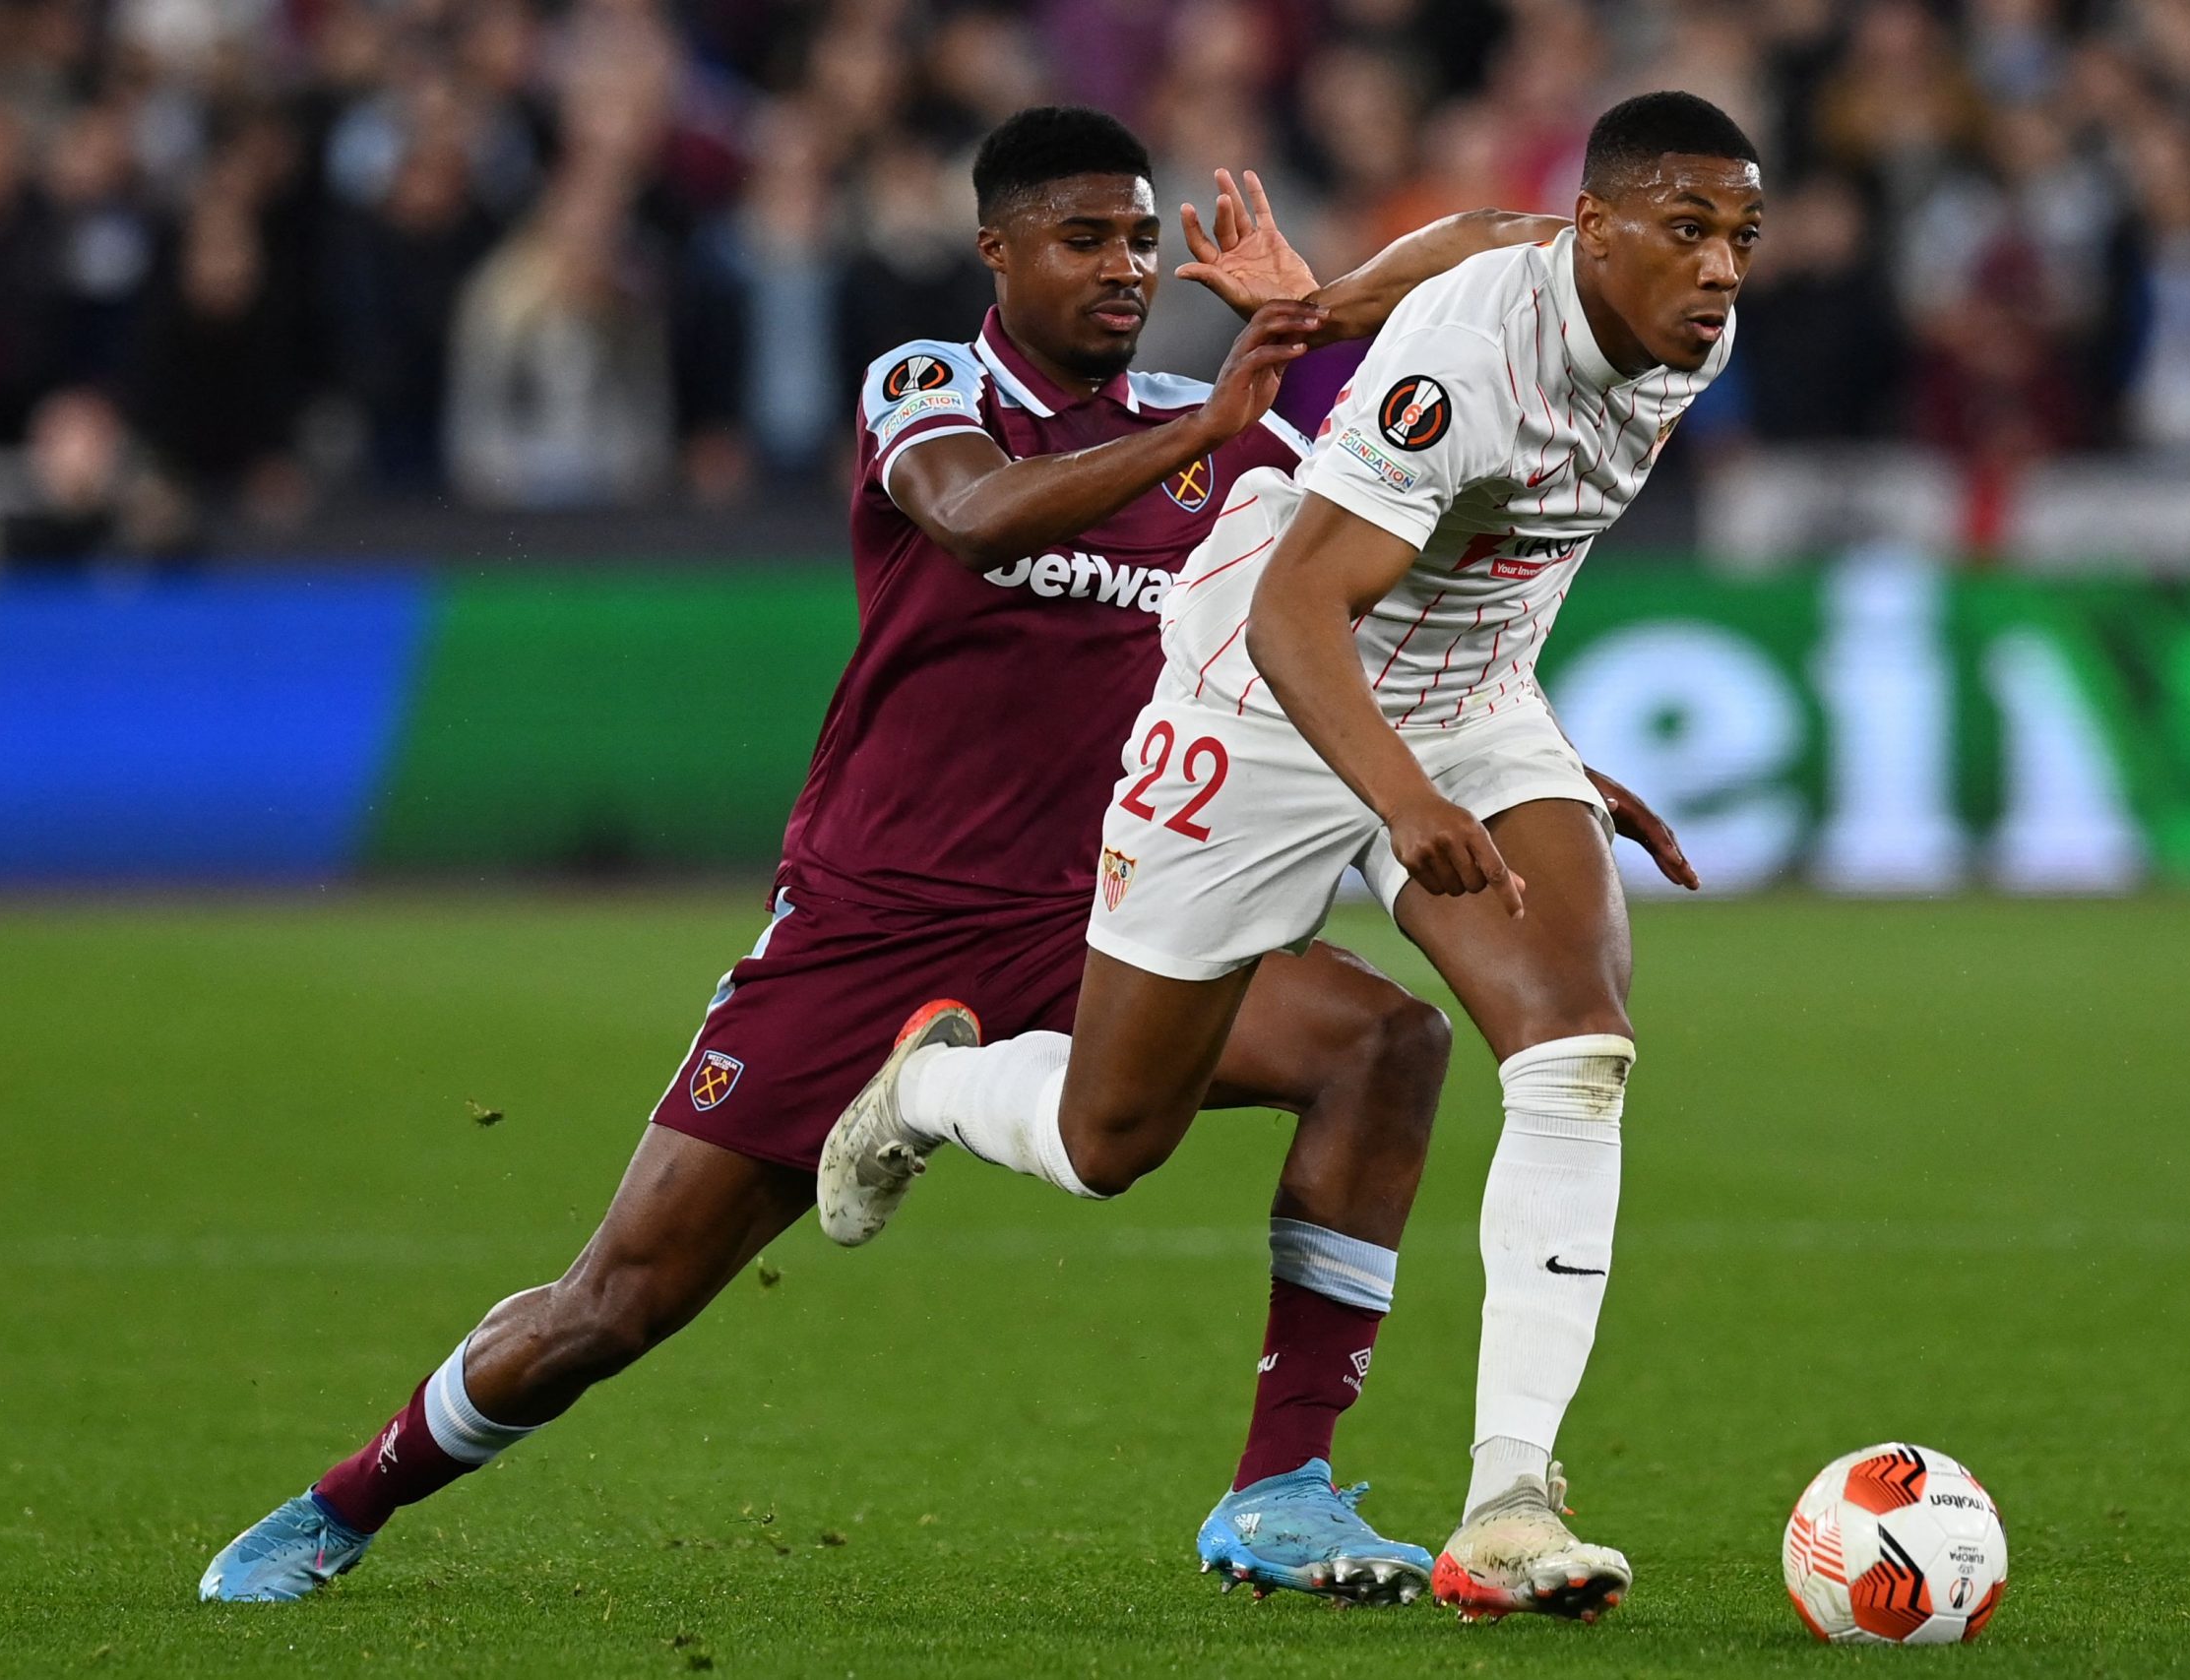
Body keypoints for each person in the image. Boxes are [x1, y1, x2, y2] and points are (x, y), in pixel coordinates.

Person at [200, 105, 1585, 1610]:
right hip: (872, 928)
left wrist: (1538, 763)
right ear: (996, 251)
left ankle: (1282, 1490)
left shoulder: (1241, 432)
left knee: (1382, 1045)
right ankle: (346, 1501)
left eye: (1137, 239)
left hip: (1107, 913)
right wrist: (1195, 428)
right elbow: (976, 519)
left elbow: (1362, 620)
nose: (1123, 268)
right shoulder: (934, 388)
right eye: (1083, 240)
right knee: (619, 1302)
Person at [823, 91, 1739, 1624]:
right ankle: (925, 1085)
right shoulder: (1458, 375)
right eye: (1693, 231)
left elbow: (1484, 230)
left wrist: (1319, 303)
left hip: (1465, 702)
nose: (1720, 273)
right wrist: (1397, 804)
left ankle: (1512, 1499)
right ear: (1608, 228)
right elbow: (1293, 614)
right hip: (1266, 703)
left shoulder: (1654, 314)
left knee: (1575, 1047)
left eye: (1741, 238)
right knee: (1114, 1139)